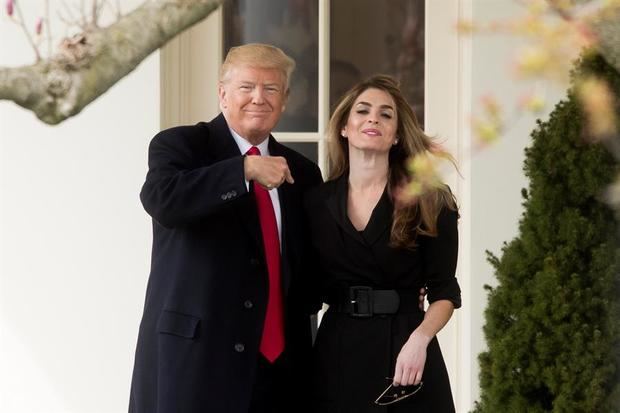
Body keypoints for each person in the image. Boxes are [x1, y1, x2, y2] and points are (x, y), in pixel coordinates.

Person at [128, 43, 323, 413]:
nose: (258, 98)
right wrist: (244, 170)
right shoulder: (181, 146)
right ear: (222, 94)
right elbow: (163, 201)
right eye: (246, 86)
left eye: (271, 89)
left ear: (285, 99)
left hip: (280, 370)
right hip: (197, 363)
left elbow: (310, 268)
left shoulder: (303, 172)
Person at [305, 74, 461, 412]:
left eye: (386, 114)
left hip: (407, 351)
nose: (373, 118)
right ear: (344, 127)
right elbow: (305, 288)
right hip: (338, 352)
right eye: (362, 111)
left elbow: (445, 293)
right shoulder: (315, 202)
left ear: (396, 136)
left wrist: (420, 340)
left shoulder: (431, 200)